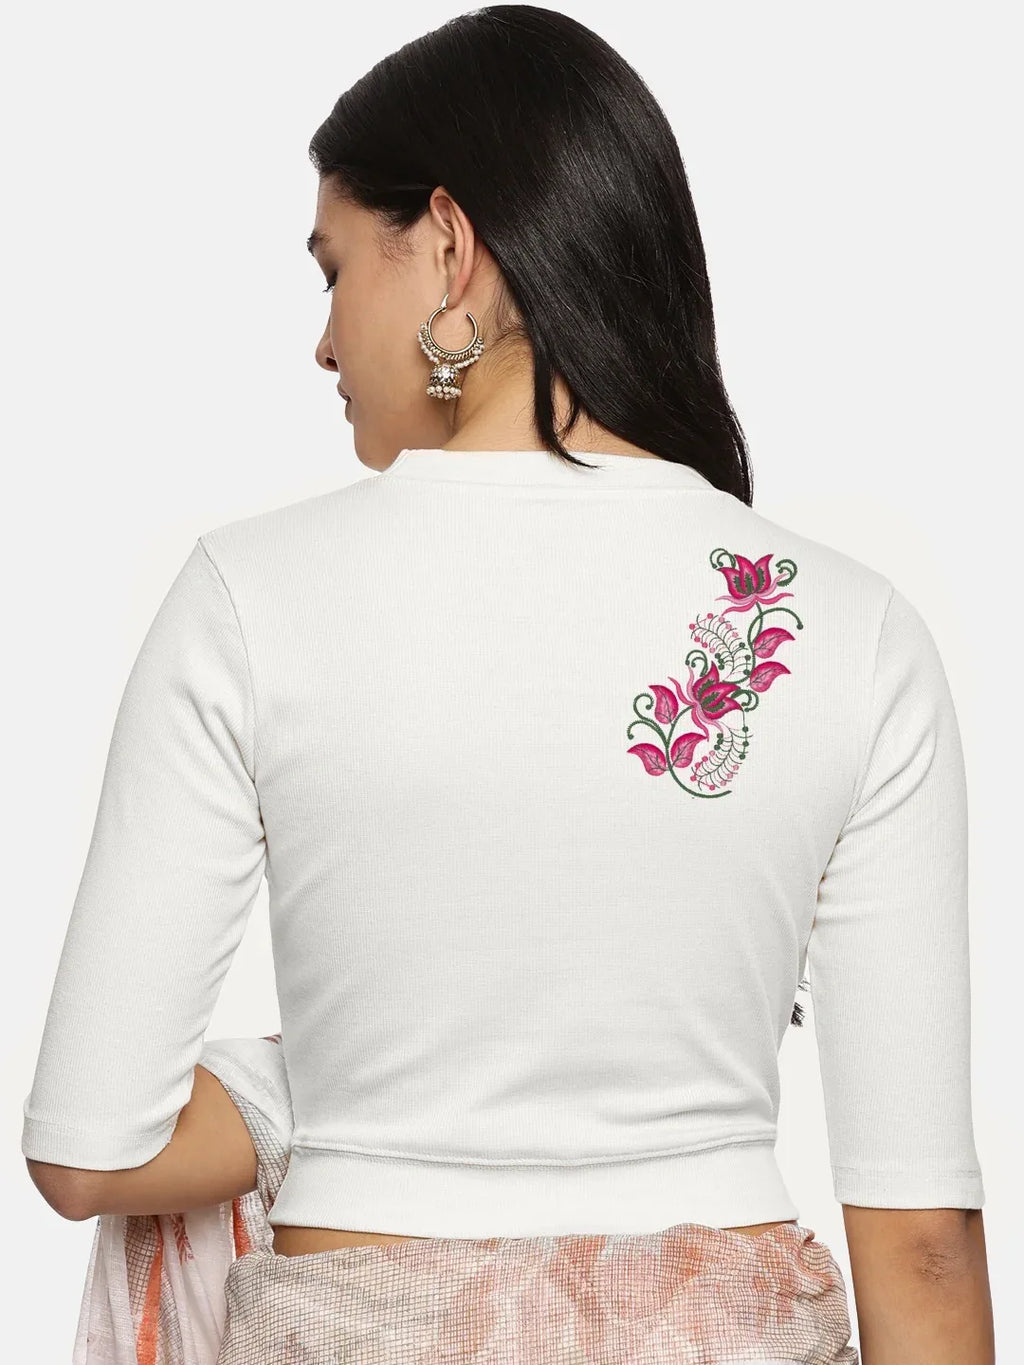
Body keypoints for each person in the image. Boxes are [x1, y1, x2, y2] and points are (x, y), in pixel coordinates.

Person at [21, 5, 993, 1362]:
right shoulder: (854, 631)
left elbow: (90, 1149)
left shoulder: (249, 598)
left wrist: (303, 1090)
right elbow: (922, 1246)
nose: (323, 343)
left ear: (450, 246)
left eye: (333, 270)